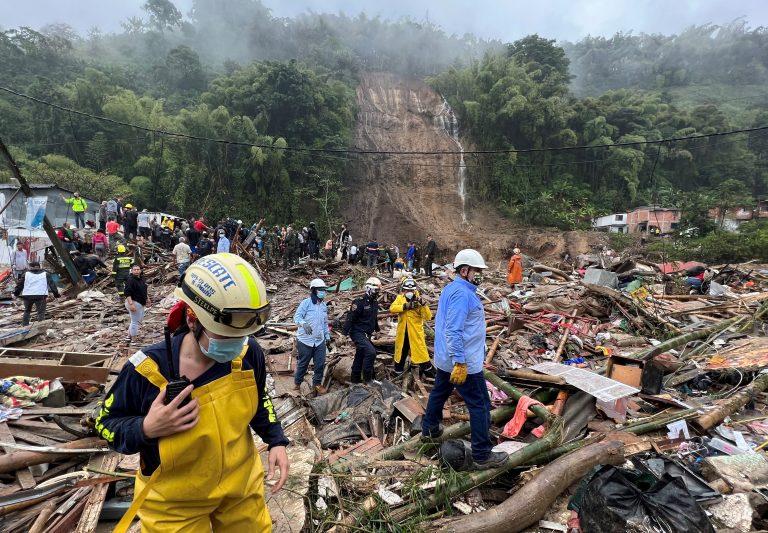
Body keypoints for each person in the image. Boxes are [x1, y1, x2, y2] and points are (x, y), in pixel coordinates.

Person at [97, 253, 289, 532]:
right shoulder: (147, 371)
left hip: (240, 490)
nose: (237, 345)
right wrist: (146, 428)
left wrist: (276, 440)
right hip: (174, 506)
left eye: (243, 337)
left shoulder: (248, 355)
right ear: (191, 319)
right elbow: (105, 426)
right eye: (226, 335)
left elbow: (260, 401)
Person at [421, 249, 507, 470]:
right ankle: (482, 454)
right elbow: (453, 330)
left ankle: (429, 429)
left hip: (446, 358)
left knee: (439, 392)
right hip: (463, 363)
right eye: (477, 271)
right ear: (465, 270)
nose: (479, 275)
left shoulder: (453, 289)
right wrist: (460, 360)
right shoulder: (462, 294)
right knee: (480, 405)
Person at [293, 278, 331, 395]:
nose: (323, 292)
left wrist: (327, 336)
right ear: (314, 290)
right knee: (303, 363)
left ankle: (317, 384)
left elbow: (324, 323)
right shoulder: (306, 303)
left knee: (320, 363)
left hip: (319, 341)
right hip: (305, 341)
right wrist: (303, 324)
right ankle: (297, 383)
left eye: (324, 290)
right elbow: (297, 317)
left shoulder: (324, 306)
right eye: (321, 290)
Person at [390, 277, 434, 377]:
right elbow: (392, 308)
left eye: (411, 290)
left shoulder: (419, 301)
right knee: (401, 352)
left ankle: (430, 374)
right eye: (407, 290)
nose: (409, 292)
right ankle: (398, 373)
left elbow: (428, 316)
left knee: (421, 353)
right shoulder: (400, 298)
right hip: (403, 333)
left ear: (414, 290)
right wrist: (405, 306)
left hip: (415, 333)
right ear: (403, 290)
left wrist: (423, 305)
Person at [343, 277, 381, 383]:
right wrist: (344, 334)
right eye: (375, 290)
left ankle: (355, 381)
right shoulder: (359, 302)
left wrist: (377, 330)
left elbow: (374, 317)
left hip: (366, 334)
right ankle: (367, 381)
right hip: (357, 333)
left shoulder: (374, 303)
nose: (377, 293)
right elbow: (350, 318)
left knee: (360, 356)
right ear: (368, 289)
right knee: (371, 353)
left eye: (378, 291)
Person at [14, 261, 59, 325]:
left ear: (30, 267)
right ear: (39, 266)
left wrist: (16, 293)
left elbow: (20, 285)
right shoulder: (46, 274)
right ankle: (41, 325)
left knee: (27, 310)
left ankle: (24, 324)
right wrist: (56, 295)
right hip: (41, 295)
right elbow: (52, 285)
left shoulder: (26, 274)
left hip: (27, 295)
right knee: (41, 312)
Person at [124, 264, 149, 344]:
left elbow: (143, 290)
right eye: (134, 269)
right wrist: (131, 304)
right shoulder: (130, 280)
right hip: (134, 302)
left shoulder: (141, 279)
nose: (136, 271)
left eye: (138, 269)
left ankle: (129, 336)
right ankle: (134, 340)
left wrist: (148, 298)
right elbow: (127, 293)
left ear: (140, 270)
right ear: (131, 271)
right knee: (135, 322)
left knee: (135, 320)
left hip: (140, 302)